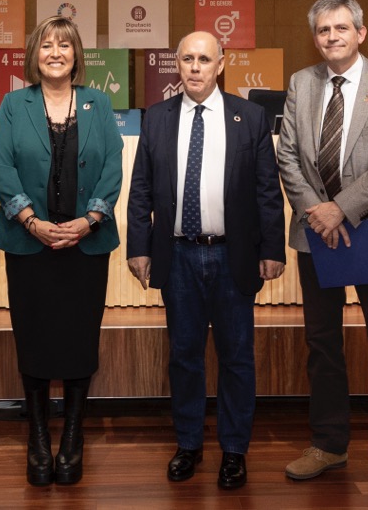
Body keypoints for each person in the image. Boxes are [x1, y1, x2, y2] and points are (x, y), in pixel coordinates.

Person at [126, 31, 286, 490]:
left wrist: (272, 249)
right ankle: (189, 444)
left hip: (233, 255)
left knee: (237, 358)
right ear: (177, 64)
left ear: (221, 64)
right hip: (177, 254)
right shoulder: (157, 118)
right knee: (184, 356)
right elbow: (140, 190)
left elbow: (266, 190)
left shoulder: (249, 117)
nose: (195, 67)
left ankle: (234, 450)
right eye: (187, 59)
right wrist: (139, 246)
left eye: (204, 59)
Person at [275, 0, 368, 501]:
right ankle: (329, 444)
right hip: (316, 231)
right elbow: (288, 155)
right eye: (323, 30)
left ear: (361, 32)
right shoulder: (301, 83)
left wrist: (342, 208)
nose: (331, 37)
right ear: (315, 38)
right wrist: (317, 210)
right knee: (322, 344)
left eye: (340, 28)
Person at [0, 15, 124, 487]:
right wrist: (31, 220)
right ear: (34, 54)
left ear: (76, 55)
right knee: (34, 338)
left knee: (80, 339)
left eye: (64, 45)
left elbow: (112, 166)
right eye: (46, 45)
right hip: (30, 245)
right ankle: (39, 437)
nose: (55, 53)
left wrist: (89, 220)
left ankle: (73, 436)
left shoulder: (98, 103)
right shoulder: (13, 104)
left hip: (87, 246)